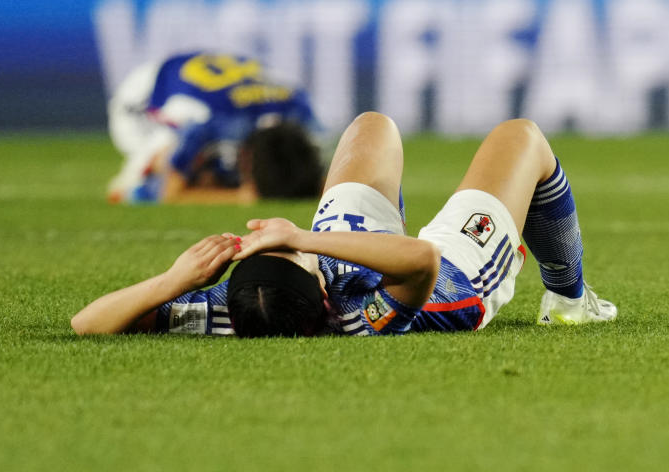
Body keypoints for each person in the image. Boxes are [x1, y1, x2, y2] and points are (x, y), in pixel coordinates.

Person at [71, 112, 616, 337]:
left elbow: (86, 323)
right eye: (280, 250)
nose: (263, 242)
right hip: (450, 278)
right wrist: (302, 236)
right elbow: (421, 261)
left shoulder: (232, 313)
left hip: (356, 259)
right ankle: (570, 301)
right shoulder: (362, 318)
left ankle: (352, 241)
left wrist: (175, 279)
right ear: (322, 294)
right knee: (521, 139)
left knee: (371, 127)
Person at [106, 51, 324, 205]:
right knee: (167, 166)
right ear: (245, 159)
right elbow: (170, 194)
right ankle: (137, 183)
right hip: (145, 95)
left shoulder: (302, 110)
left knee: (217, 170)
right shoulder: (206, 121)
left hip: (210, 86)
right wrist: (239, 196)